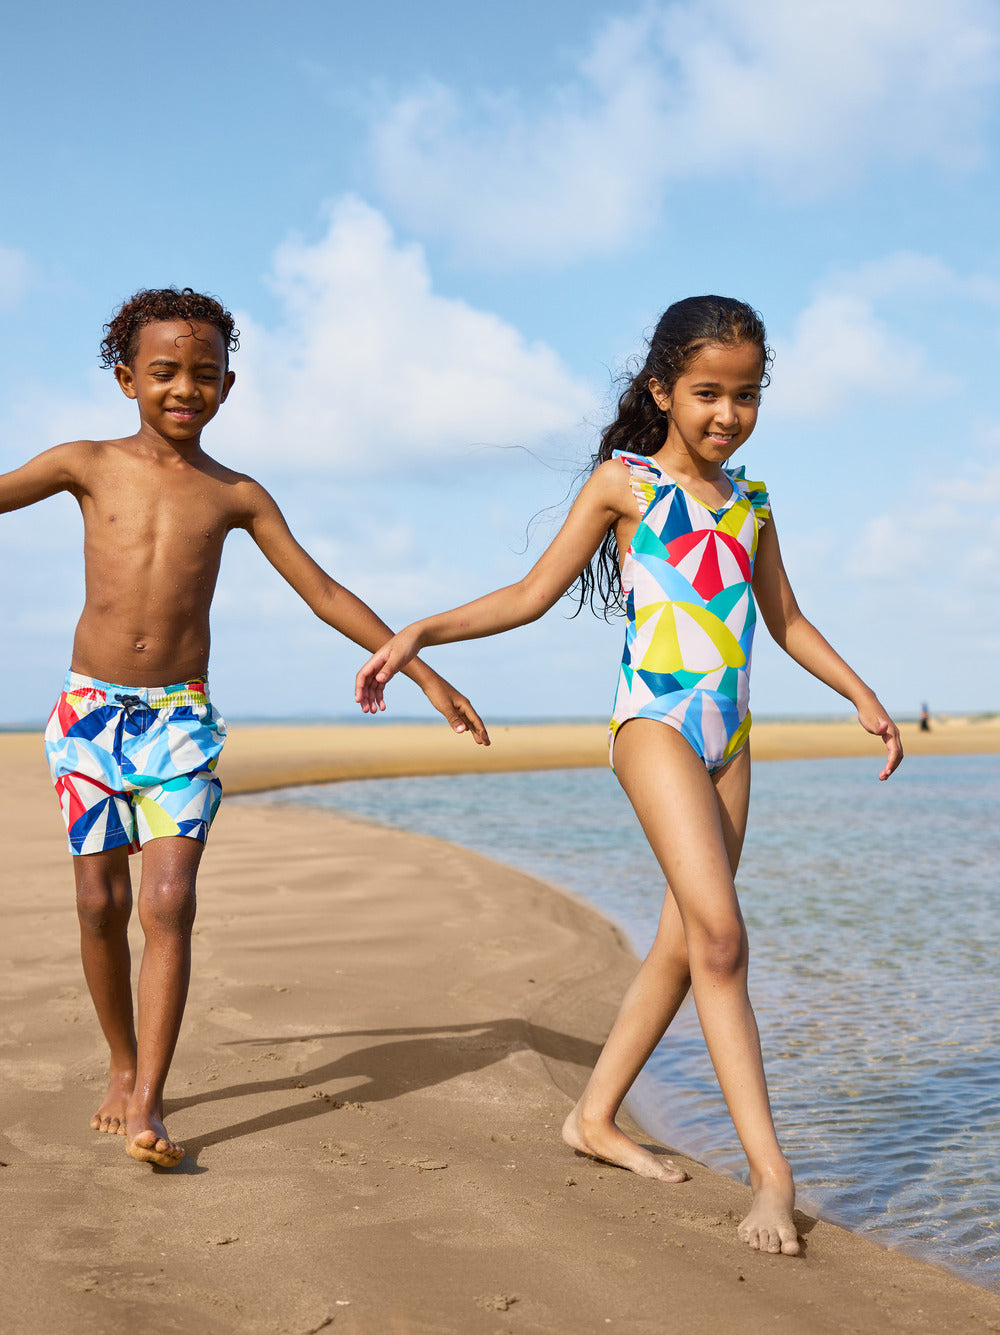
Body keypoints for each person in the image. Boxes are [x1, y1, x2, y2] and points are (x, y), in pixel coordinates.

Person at [355, 295, 903, 1256]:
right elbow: (532, 593)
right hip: (653, 723)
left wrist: (863, 695)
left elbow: (787, 622)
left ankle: (594, 1116)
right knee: (724, 940)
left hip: (730, 737)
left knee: (683, 945)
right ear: (663, 390)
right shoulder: (628, 484)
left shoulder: (755, 504)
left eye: (744, 395)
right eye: (705, 393)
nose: (726, 414)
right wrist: (419, 632)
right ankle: (774, 1175)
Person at [0, 286, 487, 1169]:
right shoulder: (84, 463)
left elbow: (326, 591)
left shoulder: (236, 494)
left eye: (205, 374)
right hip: (89, 715)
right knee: (99, 903)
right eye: (164, 373)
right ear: (125, 378)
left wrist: (419, 667)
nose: (185, 389)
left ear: (227, 384)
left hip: (180, 718)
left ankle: (149, 1100)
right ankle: (120, 1059)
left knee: (169, 901)